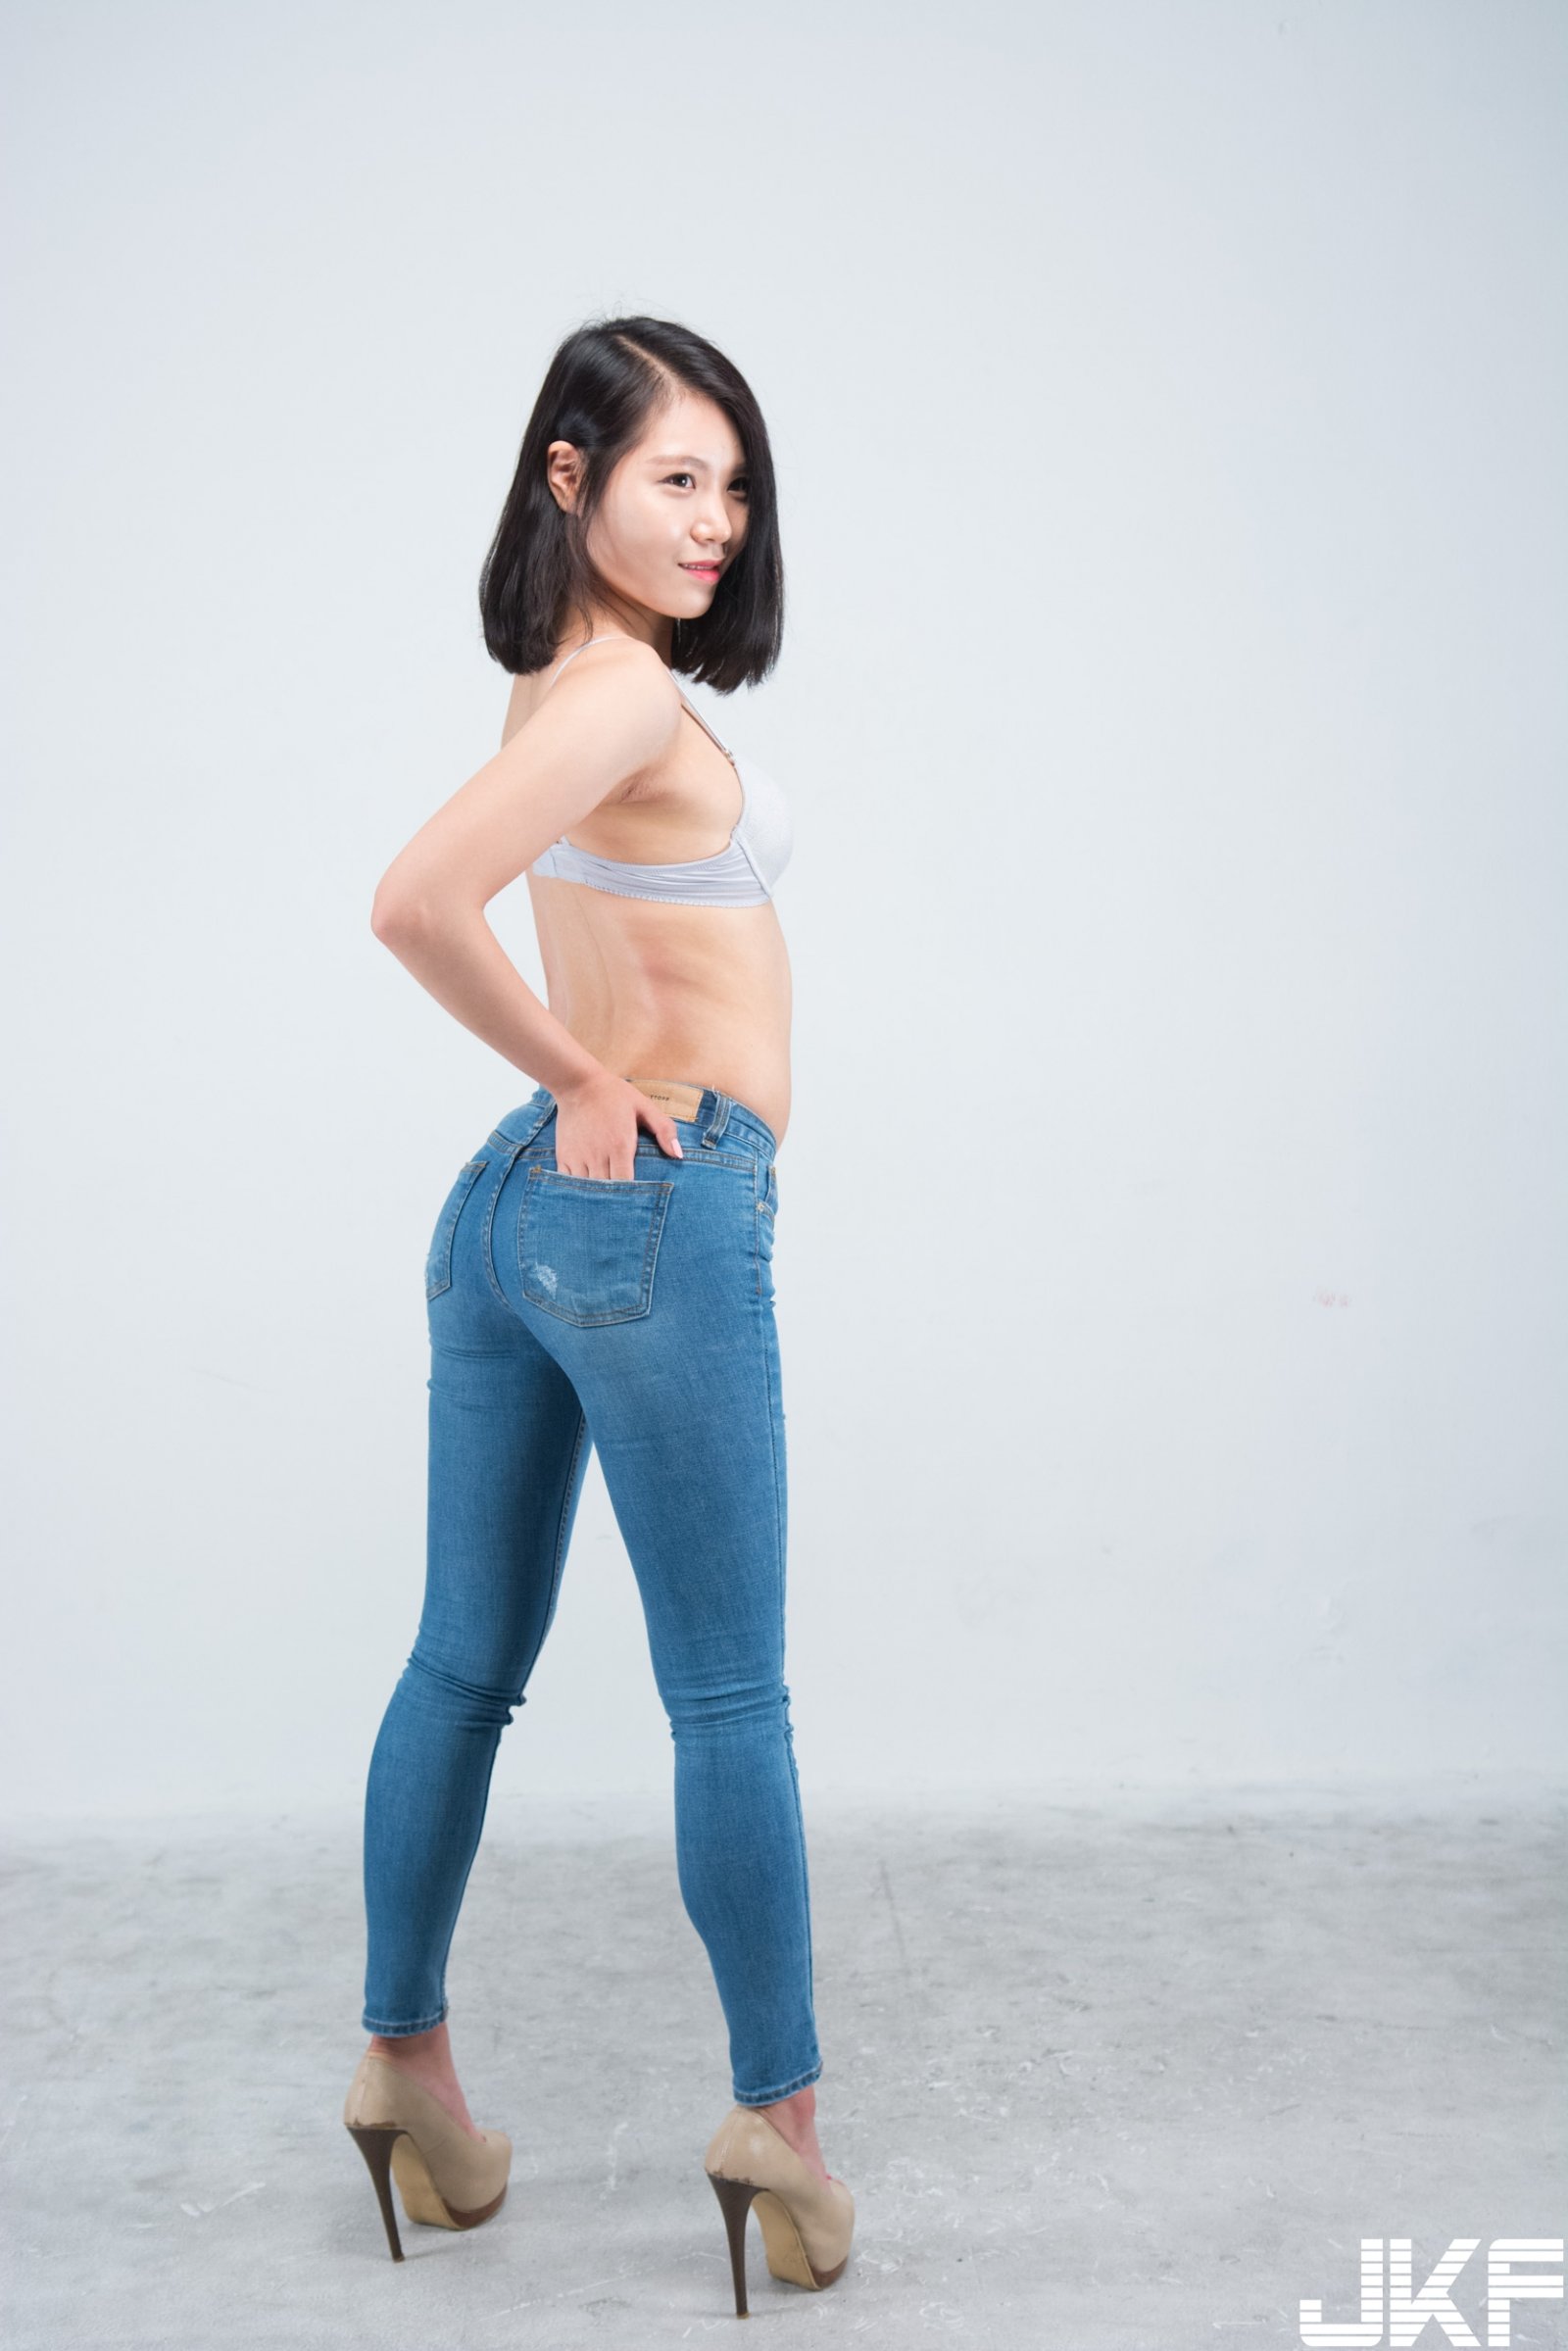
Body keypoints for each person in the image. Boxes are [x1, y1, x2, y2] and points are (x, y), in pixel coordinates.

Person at [339, 315, 855, 2314]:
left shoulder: (553, 687)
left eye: (733, 485)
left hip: (512, 1218)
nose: (716, 520)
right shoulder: (624, 696)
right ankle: (779, 2126)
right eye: (673, 478)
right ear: (568, 476)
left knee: (460, 1663)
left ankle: (407, 2075)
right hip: (656, 1206)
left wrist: (559, 1088)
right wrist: (580, 1069)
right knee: (729, 1697)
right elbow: (413, 903)